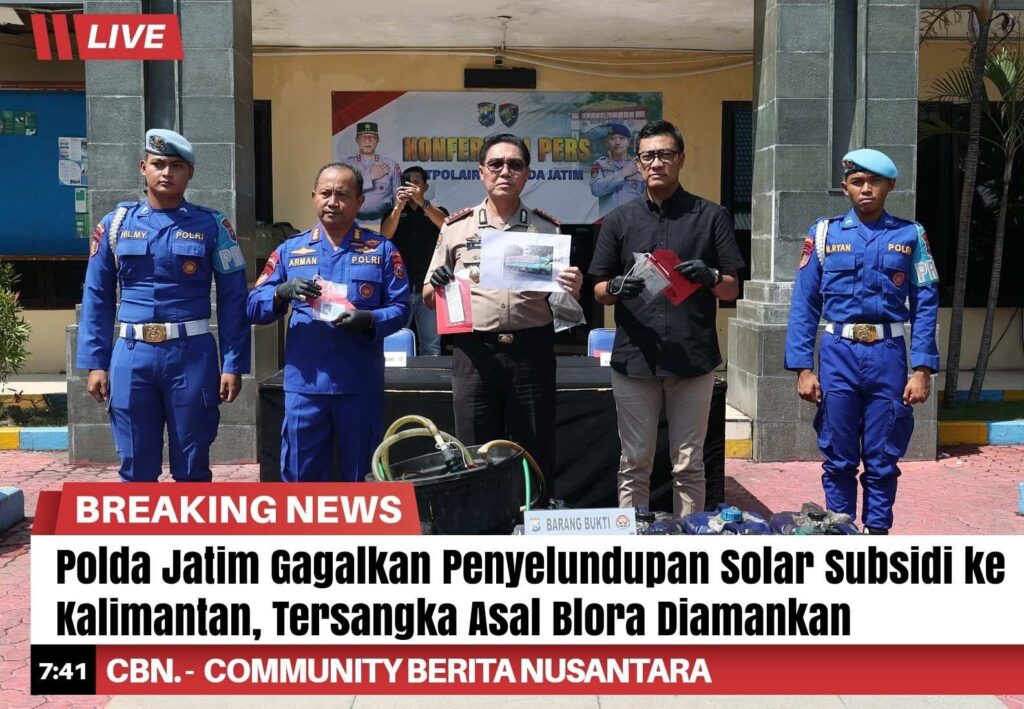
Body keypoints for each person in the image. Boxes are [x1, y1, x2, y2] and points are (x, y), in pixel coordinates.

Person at [590, 119, 745, 515]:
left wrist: (712, 277)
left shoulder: (711, 216)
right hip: (634, 360)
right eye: (647, 156)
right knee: (634, 463)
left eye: (664, 154)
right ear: (637, 163)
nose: (656, 163)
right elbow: (599, 290)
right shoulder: (619, 220)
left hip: (692, 359)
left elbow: (732, 289)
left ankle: (688, 540)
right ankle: (632, 540)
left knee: (689, 465)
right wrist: (616, 286)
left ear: (681, 159)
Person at [76, 128, 250, 482]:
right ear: (143, 168)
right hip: (132, 354)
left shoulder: (213, 225)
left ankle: (191, 521)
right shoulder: (115, 225)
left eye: (176, 165)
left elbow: (234, 298)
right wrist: (95, 362)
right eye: (158, 164)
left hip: (191, 355)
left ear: (191, 172)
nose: (166, 172)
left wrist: (233, 363)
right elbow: (97, 295)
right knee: (134, 466)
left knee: (192, 464)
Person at [784, 148, 940, 535]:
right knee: (838, 455)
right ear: (845, 188)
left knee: (883, 454)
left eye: (874, 182)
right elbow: (805, 302)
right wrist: (802, 368)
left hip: (888, 355)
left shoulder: (911, 235)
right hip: (838, 354)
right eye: (857, 182)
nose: (866, 189)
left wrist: (922, 369)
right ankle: (840, 532)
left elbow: (926, 302)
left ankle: (878, 533)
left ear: (891, 186)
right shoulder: (824, 234)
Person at [424, 134, 583, 481]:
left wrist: (572, 286)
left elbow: (563, 300)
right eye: (496, 164)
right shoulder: (456, 227)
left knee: (536, 449)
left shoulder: (547, 228)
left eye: (515, 165)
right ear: (481, 171)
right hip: (474, 351)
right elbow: (427, 296)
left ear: (527, 173)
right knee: (474, 451)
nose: (505, 171)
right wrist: (436, 284)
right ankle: (481, 516)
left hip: (531, 351)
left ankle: (535, 512)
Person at [247, 163, 410, 482]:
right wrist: (280, 292)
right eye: (325, 193)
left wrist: (370, 319)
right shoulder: (290, 250)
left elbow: (402, 308)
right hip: (305, 385)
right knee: (300, 476)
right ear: (313, 197)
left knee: (362, 476)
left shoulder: (381, 250)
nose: (332, 202)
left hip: (358, 384)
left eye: (342, 195)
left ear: (359, 201)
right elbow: (253, 306)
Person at [380, 166, 449, 355]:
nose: (411, 186)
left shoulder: (436, 210)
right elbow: (385, 236)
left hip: (429, 287)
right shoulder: (393, 211)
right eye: (407, 181)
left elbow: (447, 227)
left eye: (416, 182)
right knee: (396, 342)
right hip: (399, 289)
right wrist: (398, 207)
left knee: (431, 346)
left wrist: (423, 203)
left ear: (425, 187)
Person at [343, 121, 402, 222]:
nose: (368, 141)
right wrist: (371, 176)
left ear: (378, 140)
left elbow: (397, 197)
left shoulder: (390, 164)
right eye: (363, 137)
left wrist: (394, 221)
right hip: (353, 222)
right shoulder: (347, 165)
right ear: (356, 140)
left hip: (383, 222)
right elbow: (345, 192)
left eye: (372, 137)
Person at [590, 122, 644, 215]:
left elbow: (648, 197)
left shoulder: (639, 165)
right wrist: (622, 174)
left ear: (628, 142)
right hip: (608, 221)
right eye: (612, 138)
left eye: (621, 138)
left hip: (633, 221)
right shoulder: (599, 164)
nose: (617, 142)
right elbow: (596, 189)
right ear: (607, 142)